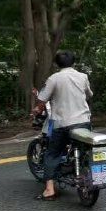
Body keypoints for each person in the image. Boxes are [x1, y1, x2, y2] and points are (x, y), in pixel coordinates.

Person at [32, 50, 93, 201]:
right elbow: (89, 94)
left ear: (56, 64)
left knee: (52, 153)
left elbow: (42, 101)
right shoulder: (83, 76)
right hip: (83, 122)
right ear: (74, 63)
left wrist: (36, 110)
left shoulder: (54, 78)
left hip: (62, 124)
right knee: (86, 149)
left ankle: (49, 190)